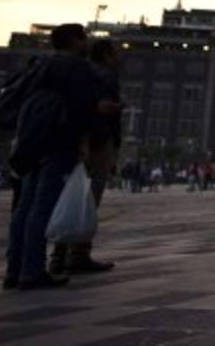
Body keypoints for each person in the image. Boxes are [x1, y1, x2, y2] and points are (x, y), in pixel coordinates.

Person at [5, 23, 116, 291]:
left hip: (32, 141)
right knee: (43, 207)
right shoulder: (76, 67)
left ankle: (14, 270)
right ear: (74, 41)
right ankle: (32, 272)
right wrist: (86, 135)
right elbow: (82, 105)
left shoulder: (40, 65)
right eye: (83, 38)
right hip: (59, 141)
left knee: (25, 207)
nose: (86, 43)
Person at [50, 39, 122, 276]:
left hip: (76, 140)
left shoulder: (78, 72)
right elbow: (100, 108)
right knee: (89, 200)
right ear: (106, 55)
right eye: (116, 52)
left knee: (70, 197)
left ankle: (58, 255)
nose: (119, 56)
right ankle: (79, 254)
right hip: (97, 141)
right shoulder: (105, 75)